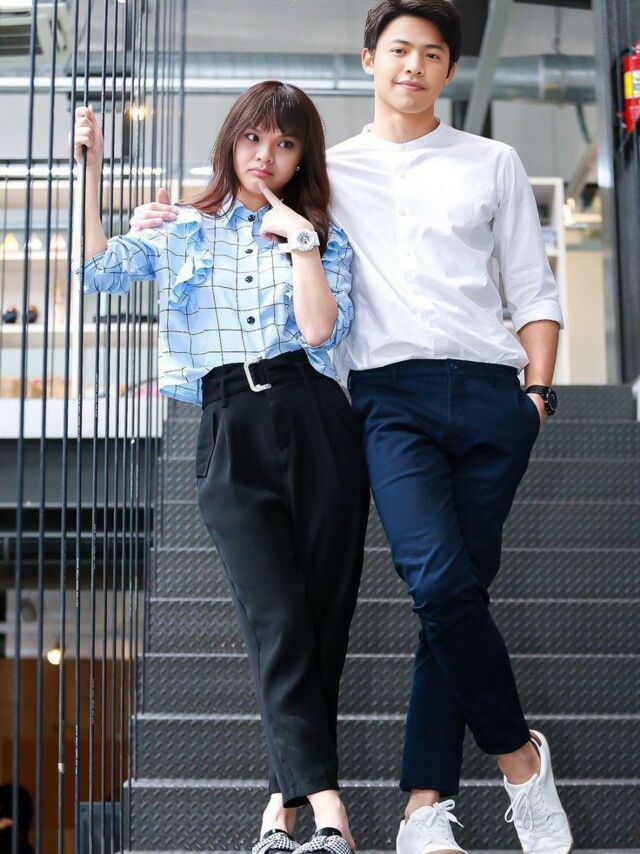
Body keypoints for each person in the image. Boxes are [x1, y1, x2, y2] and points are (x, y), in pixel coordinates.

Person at [131, 3, 574, 852]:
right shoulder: (331, 174)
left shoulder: (494, 161)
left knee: (457, 595)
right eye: (400, 49)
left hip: (494, 394)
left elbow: (532, 287)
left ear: (449, 69)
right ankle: (520, 760)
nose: (414, 66)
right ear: (370, 58)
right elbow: (245, 203)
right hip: (388, 398)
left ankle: (424, 806)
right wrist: (167, 217)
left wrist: (537, 397)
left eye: (433, 54)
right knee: (437, 583)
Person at [72, 80, 370, 854]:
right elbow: (96, 272)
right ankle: (330, 810)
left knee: (320, 624)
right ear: (230, 141)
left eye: (285, 144)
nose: (266, 155)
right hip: (227, 424)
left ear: (302, 158)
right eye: (253, 138)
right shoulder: (183, 229)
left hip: (315, 419)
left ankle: (280, 812)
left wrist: (301, 242)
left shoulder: (321, 236)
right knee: (275, 619)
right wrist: (91, 174)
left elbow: (319, 330)